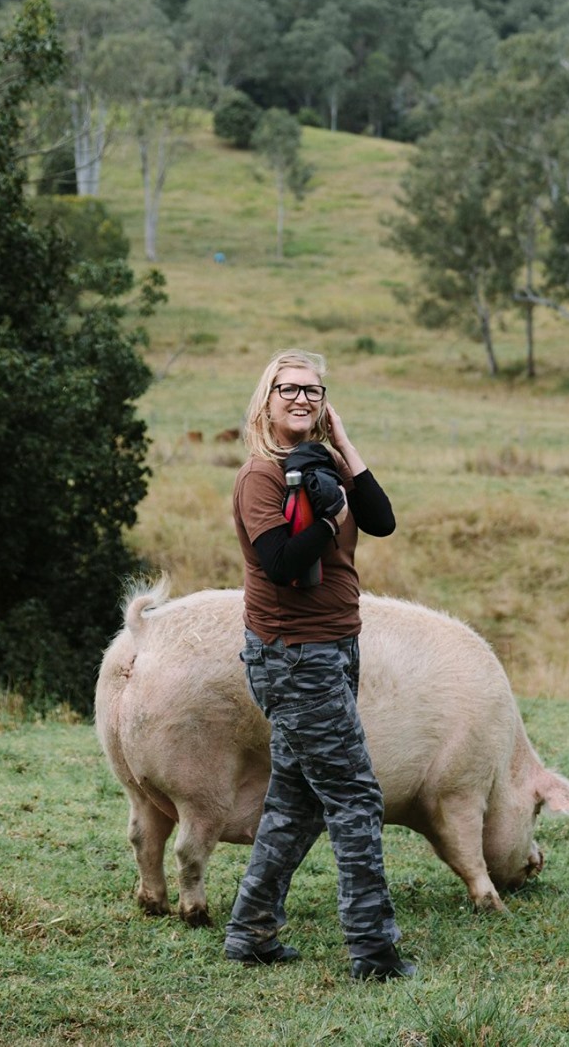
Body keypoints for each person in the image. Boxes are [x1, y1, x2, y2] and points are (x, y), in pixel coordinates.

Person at [221, 349, 414, 982]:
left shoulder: (325, 464)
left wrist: (344, 444)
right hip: (292, 655)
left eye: (313, 391)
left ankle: (250, 934)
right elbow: (279, 562)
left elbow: (382, 520)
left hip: (336, 645)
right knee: (357, 797)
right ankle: (374, 954)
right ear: (266, 400)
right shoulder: (261, 476)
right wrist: (328, 517)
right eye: (289, 390)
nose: (301, 399)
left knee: (296, 800)